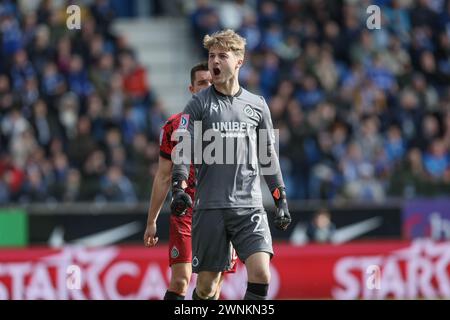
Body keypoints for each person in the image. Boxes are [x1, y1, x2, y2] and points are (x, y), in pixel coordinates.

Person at [170, 29, 291, 300]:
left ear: (239, 61)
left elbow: (267, 156)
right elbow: (183, 149)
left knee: (261, 273)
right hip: (210, 207)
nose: (214, 61)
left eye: (222, 55)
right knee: (206, 288)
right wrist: (179, 187)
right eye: (211, 55)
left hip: (249, 206)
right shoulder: (197, 104)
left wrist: (280, 196)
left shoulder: (257, 105)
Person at [143, 62, 236, 300]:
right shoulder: (174, 126)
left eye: (211, 82)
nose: (207, 86)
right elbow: (163, 176)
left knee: (211, 287)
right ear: (192, 89)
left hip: (221, 211)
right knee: (181, 280)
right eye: (202, 83)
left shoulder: (232, 124)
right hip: (185, 212)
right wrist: (151, 221)